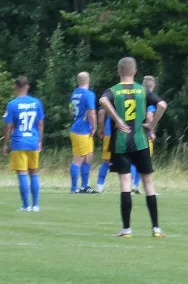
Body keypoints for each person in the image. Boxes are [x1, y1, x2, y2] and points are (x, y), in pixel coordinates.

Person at [100, 57, 167, 238]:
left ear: (118, 71)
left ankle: (127, 229)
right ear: (135, 72)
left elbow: (103, 101)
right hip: (140, 141)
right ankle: (156, 229)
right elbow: (162, 105)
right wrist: (152, 126)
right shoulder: (142, 90)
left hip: (121, 143)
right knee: (148, 184)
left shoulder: (113, 91)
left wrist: (117, 119)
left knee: (125, 184)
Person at [96, 75, 158, 194]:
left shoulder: (115, 93)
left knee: (107, 161)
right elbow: (150, 115)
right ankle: (133, 185)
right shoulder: (144, 96)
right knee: (137, 160)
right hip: (136, 134)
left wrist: (102, 128)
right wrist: (151, 130)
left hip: (113, 131)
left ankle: (100, 185)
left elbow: (101, 111)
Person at [2, 76, 44, 212]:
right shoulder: (36, 103)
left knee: (22, 174)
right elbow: (40, 123)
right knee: (34, 173)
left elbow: (8, 126)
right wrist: (39, 140)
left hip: (19, 142)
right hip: (33, 141)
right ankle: (36, 205)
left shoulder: (12, 104)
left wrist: (5, 143)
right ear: (27, 86)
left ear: (15, 87)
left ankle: (26, 205)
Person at [69, 72, 98, 193]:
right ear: (88, 80)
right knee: (78, 159)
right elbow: (91, 112)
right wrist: (94, 126)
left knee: (88, 156)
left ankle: (84, 186)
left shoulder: (74, 94)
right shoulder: (89, 94)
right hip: (82, 130)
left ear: (78, 81)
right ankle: (74, 187)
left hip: (76, 128)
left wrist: (77, 117)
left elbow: (71, 109)